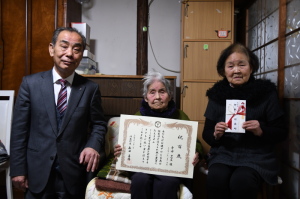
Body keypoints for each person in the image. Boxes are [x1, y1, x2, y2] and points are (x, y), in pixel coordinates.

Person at [10, 27, 107, 199]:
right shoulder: (30, 84)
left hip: (73, 172)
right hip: (36, 172)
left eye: (76, 49)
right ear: (51, 48)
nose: (69, 53)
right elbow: (19, 131)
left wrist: (93, 145)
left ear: (81, 55)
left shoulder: (90, 89)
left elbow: (99, 124)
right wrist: (18, 169)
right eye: (64, 46)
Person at [202, 43, 287, 199]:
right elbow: (206, 133)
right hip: (224, 154)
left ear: (251, 67)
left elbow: (281, 132)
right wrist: (216, 134)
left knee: (241, 182)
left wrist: (262, 130)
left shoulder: (266, 93)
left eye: (242, 65)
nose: (236, 70)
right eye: (231, 66)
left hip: (257, 156)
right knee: (216, 178)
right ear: (223, 70)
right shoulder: (216, 94)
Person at [114, 71, 200, 199]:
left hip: (169, 169)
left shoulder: (181, 116)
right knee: (140, 181)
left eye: (162, 92)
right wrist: (120, 150)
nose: (158, 97)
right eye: (152, 92)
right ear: (146, 97)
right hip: (142, 168)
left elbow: (195, 143)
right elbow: (128, 144)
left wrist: (196, 152)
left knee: (168, 182)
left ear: (170, 96)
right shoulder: (137, 118)